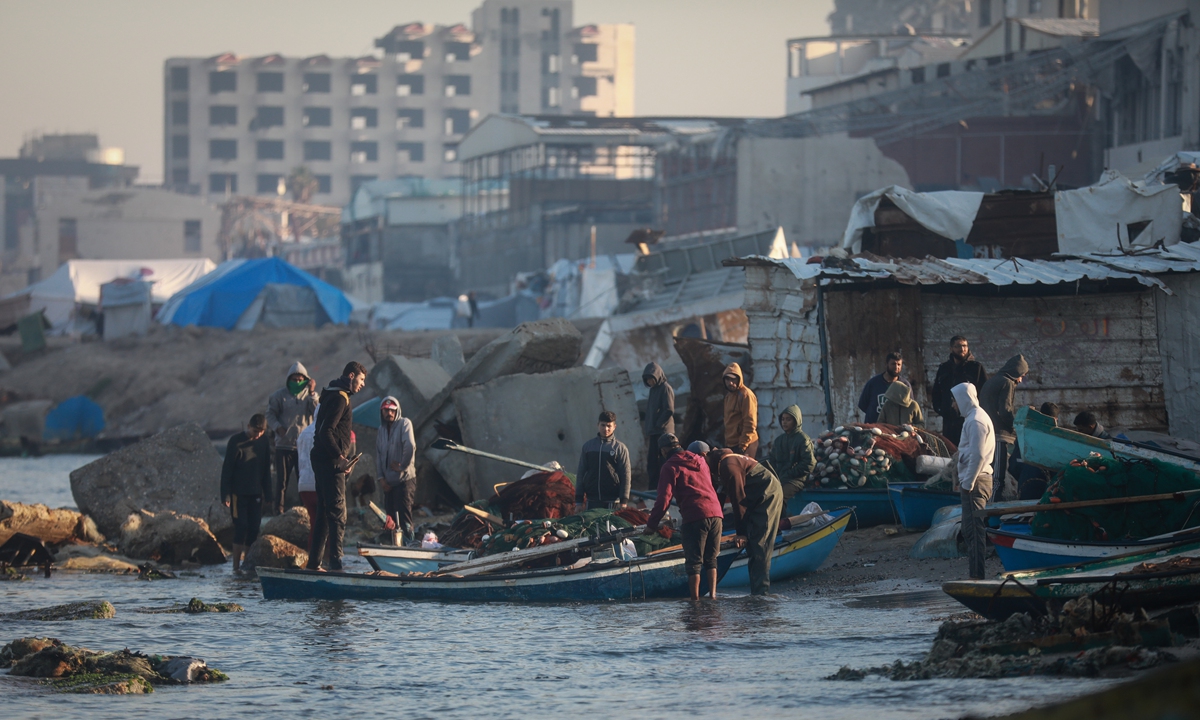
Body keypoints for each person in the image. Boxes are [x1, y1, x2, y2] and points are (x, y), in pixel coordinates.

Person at [645, 434, 725, 600]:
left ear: (664, 450)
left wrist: (651, 525)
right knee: (711, 560)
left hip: (695, 515)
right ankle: (713, 597)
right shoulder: (701, 460)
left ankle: (694, 602)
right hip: (716, 513)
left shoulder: (669, 466)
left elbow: (664, 499)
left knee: (694, 563)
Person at [307, 361, 368, 572]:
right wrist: (340, 458)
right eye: (361, 380)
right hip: (329, 462)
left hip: (323, 460)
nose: (362, 385)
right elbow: (325, 432)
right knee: (338, 513)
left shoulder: (332, 393)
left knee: (324, 513)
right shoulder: (340, 398)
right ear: (351, 376)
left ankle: (314, 563)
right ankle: (336, 564)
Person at [707, 448, 783, 595]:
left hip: (767, 495)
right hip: (754, 497)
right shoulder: (718, 467)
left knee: (760, 544)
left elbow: (738, 500)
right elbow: (718, 501)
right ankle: (756, 591)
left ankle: (761, 594)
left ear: (705, 456)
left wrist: (740, 533)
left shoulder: (728, 465)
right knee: (752, 544)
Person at [951, 382, 995, 580]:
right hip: (974, 481)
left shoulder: (976, 420)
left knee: (974, 532)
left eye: (954, 400)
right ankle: (975, 575)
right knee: (971, 531)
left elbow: (977, 456)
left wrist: (967, 483)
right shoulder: (973, 418)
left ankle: (977, 577)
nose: (953, 405)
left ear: (962, 399)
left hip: (976, 483)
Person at [221, 413, 272, 573]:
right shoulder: (236, 441)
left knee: (254, 527)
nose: (257, 435)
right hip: (238, 494)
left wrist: (268, 494)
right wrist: (226, 495)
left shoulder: (264, 442)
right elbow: (227, 470)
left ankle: (247, 564)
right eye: (255, 431)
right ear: (248, 427)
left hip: (255, 493)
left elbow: (266, 471)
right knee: (241, 526)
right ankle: (236, 566)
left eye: (261, 432)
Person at [265, 361, 318, 515]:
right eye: (294, 379)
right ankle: (279, 510)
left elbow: (317, 411)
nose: (297, 382)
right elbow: (270, 414)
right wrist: (278, 428)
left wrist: (312, 393)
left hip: (303, 447)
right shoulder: (279, 396)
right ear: (288, 379)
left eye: (300, 379)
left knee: (304, 480)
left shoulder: (309, 396)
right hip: (283, 445)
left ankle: (305, 510)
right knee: (282, 480)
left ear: (306, 379)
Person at [979, 353, 1028, 497]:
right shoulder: (1007, 382)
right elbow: (1005, 410)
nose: (1020, 380)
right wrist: (1014, 427)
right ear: (1016, 372)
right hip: (999, 434)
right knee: (998, 478)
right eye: (1021, 375)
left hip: (986, 432)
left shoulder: (993, 380)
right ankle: (992, 508)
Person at [931, 336, 988, 445]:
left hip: (968, 418)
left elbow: (985, 391)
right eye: (958, 346)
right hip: (949, 420)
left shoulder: (976, 368)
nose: (962, 349)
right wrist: (942, 409)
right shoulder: (944, 368)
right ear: (951, 348)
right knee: (950, 450)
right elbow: (936, 392)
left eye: (964, 346)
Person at [376, 396, 416, 541]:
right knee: (390, 520)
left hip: (404, 480)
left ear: (397, 410)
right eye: (386, 410)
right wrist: (381, 478)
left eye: (392, 410)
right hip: (388, 483)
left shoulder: (405, 424)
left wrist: (403, 466)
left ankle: (409, 544)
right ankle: (394, 546)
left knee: (404, 518)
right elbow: (379, 455)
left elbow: (410, 446)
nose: (389, 413)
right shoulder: (381, 430)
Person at [574, 410, 632, 511]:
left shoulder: (620, 448)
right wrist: (579, 501)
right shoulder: (588, 447)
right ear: (598, 425)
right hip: (591, 501)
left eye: (609, 426)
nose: (606, 429)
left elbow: (626, 476)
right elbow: (581, 473)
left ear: (614, 427)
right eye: (603, 425)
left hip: (613, 501)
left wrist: (624, 501)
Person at [767, 405, 815, 507]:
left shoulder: (803, 439)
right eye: (783, 419)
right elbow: (772, 460)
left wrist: (790, 473)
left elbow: (809, 463)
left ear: (796, 421)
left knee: (780, 497)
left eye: (788, 419)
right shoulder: (779, 440)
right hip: (779, 478)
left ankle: (781, 522)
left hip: (796, 480)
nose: (784, 422)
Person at [642, 362, 675, 490]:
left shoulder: (665, 388)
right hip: (654, 432)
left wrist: (658, 424)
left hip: (664, 432)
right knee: (652, 463)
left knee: (664, 462)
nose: (649, 382)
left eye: (651, 378)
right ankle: (653, 488)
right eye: (647, 380)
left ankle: (666, 488)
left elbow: (669, 410)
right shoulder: (653, 390)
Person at [1015, 402, 1059, 500]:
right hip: (1045, 490)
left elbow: (1013, 465)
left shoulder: (1024, 433)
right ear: (1055, 420)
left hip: (1024, 484)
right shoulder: (1054, 438)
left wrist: (1024, 476)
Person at [858, 352, 910, 424]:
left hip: (895, 429)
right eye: (893, 364)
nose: (896, 367)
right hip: (874, 427)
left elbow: (909, 407)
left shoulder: (905, 385)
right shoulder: (873, 383)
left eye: (899, 364)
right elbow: (863, 405)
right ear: (887, 364)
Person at [295, 401, 319, 553]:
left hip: (304, 484)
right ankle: (324, 559)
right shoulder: (325, 432)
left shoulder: (304, 433)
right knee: (324, 524)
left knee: (314, 522)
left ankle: (312, 555)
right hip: (318, 484)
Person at [722, 363, 759, 458]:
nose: (730, 383)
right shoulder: (728, 396)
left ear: (739, 379)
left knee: (745, 472)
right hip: (732, 444)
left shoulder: (746, 395)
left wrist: (742, 446)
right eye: (727, 379)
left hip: (745, 444)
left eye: (733, 379)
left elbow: (750, 423)